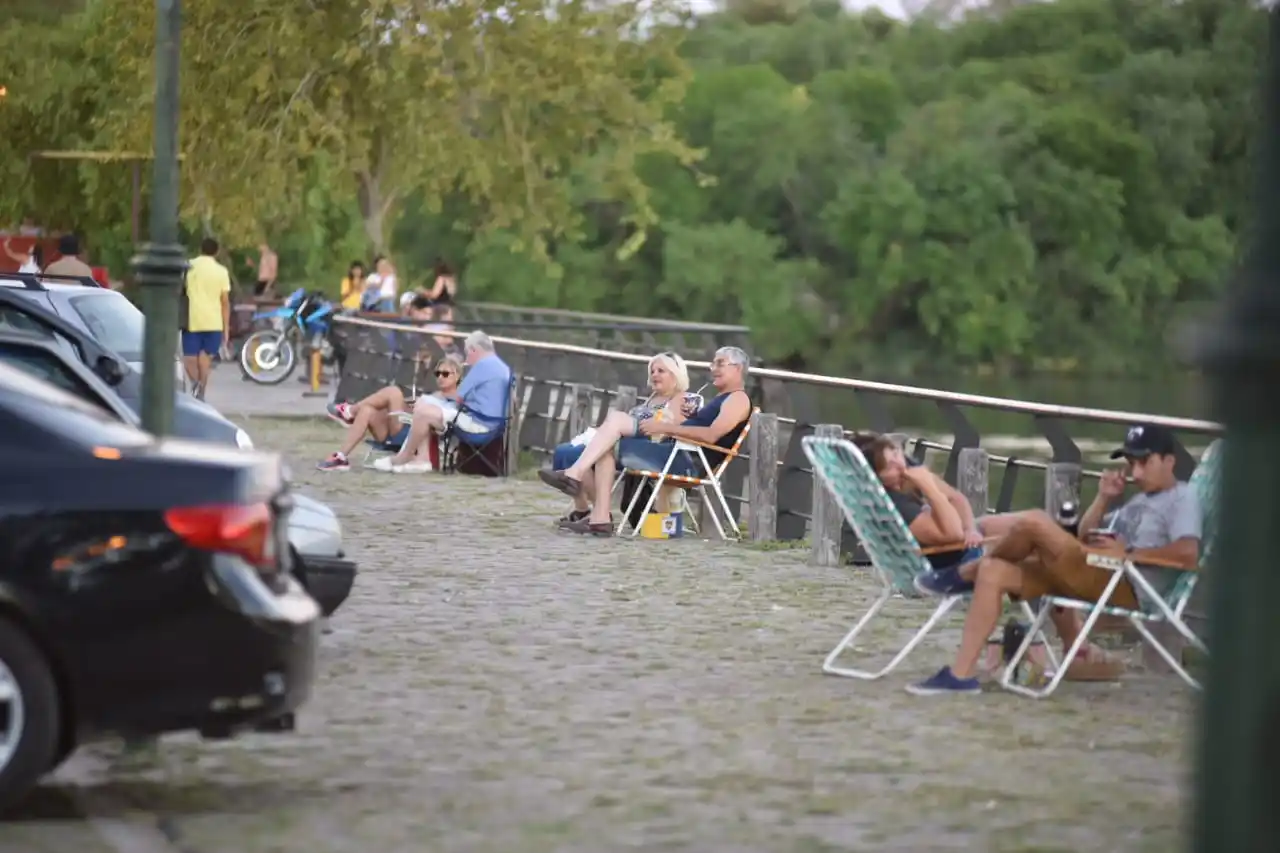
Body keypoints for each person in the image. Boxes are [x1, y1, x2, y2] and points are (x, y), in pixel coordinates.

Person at [905, 423, 1201, 695]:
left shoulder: (1182, 498)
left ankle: (963, 572)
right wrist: (1103, 498)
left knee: (1035, 521)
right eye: (1131, 463)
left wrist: (1130, 554)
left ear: (1169, 461)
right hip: (1093, 572)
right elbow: (1081, 537)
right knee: (993, 570)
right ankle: (961, 676)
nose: (1135, 472)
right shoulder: (1139, 500)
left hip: (1124, 586)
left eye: (1144, 462)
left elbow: (1188, 554)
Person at [539, 346, 753, 536]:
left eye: (720, 363)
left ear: (738, 368)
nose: (712, 368)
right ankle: (600, 518)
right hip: (674, 451)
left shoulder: (738, 399)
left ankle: (577, 480)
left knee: (614, 425)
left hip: (685, 460)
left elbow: (712, 435)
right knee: (607, 444)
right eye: (712, 363)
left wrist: (664, 427)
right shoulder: (720, 399)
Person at [552, 352, 700, 528]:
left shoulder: (684, 398)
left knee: (614, 421)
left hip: (655, 448)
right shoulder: (650, 401)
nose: (654, 375)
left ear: (676, 374)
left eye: (661, 370)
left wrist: (657, 423)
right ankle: (594, 511)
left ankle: (584, 493)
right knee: (573, 450)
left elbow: (679, 427)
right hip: (631, 440)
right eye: (652, 371)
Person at [374, 330, 511, 473]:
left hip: (478, 424)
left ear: (475, 350)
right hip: (489, 422)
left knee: (423, 411)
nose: (467, 357)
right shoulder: (502, 367)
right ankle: (420, 459)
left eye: (468, 353)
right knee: (425, 406)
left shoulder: (482, 366)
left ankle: (406, 457)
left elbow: (459, 396)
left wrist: (439, 399)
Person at [317, 354, 463, 472]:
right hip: (400, 428)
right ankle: (341, 457)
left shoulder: (458, 397)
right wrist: (410, 405)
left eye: (445, 374)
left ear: (457, 376)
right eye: (438, 373)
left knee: (394, 392)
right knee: (367, 410)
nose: (440, 377)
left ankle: (349, 411)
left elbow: (442, 420)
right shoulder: (434, 395)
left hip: (413, 435)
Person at [182, 238, 232, 400]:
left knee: (189, 358)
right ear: (216, 252)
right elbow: (224, 301)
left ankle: (196, 385)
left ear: (200, 249)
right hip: (213, 320)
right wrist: (226, 328)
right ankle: (201, 392)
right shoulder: (221, 271)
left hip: (191, 318)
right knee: (205, 359)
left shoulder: (188, 266)